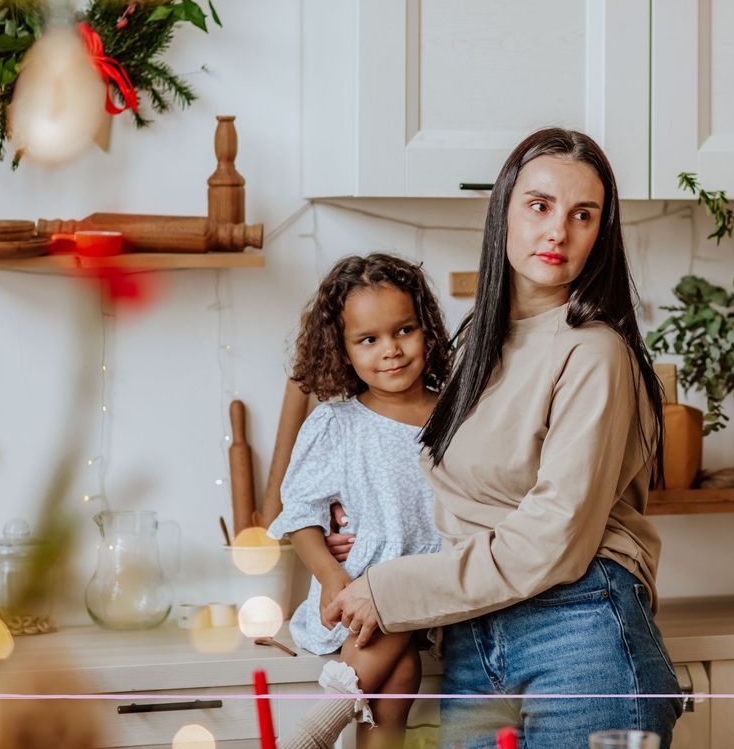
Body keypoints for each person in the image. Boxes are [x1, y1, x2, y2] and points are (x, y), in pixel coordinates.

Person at [324, 128, 682, 749]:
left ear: (601, 234)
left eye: (583, 215)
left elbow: (555, 539)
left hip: (579, 631)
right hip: (472, 643)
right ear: (505, 213)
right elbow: (464, 499)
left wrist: (394, 588)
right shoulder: (473, 349)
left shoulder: (594, 350)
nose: (558, 232)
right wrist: (363, 525)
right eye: (540, 206)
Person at [266, 253, 452, 749]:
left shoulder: (456, 415)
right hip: (364, 596)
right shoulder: (337, 425)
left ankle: (316, 727)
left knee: (397, 610)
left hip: (442, 589)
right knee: (397, 681)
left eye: (404, 330)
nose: (390, 350)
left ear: (427, 331)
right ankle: (323, 728)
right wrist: (331, 580)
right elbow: (300, 514)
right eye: (368, 340)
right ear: (343, 351)